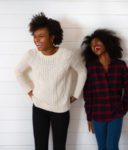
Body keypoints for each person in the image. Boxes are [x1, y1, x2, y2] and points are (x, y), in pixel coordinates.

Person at [15, 12, 87, 150]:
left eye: (41, 36)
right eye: (35, 36)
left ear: (52, 37)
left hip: (61, 110)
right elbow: (18, 72)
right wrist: (29, 91)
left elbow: (82, 71)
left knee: (60, 147)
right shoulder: (31, 55)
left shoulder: (67, 56)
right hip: (39, 108)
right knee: (40, 147)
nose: (36, 40)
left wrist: (76, 94)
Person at [82, 29, 128, 150]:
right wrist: (89, 117)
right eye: (92, 44)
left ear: (107, 43)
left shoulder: (121, 65)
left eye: (98, 41)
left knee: (112, 147)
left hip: (116, 114)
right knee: (102, 147)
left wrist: (122, 109)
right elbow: (88, 95)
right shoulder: (90, 67)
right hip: (98, 115)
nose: (95, 45)